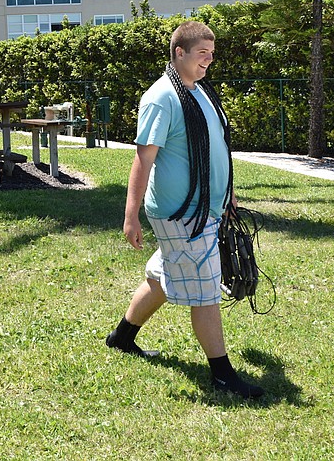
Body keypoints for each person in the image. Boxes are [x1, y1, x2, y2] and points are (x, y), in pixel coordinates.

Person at [105, 20, 264, 399]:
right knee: (206, 291)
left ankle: (121, 338)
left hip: (207, 207)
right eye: (201, 54)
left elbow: (216, 148)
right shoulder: (162, 97)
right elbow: (143, 158)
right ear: (180, 53)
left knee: (163, 277)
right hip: (182, 213)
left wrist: (228, 194)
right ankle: (223, 374)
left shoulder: (199, 91)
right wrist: (131, 215)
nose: (208, 60)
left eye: (211, 54)